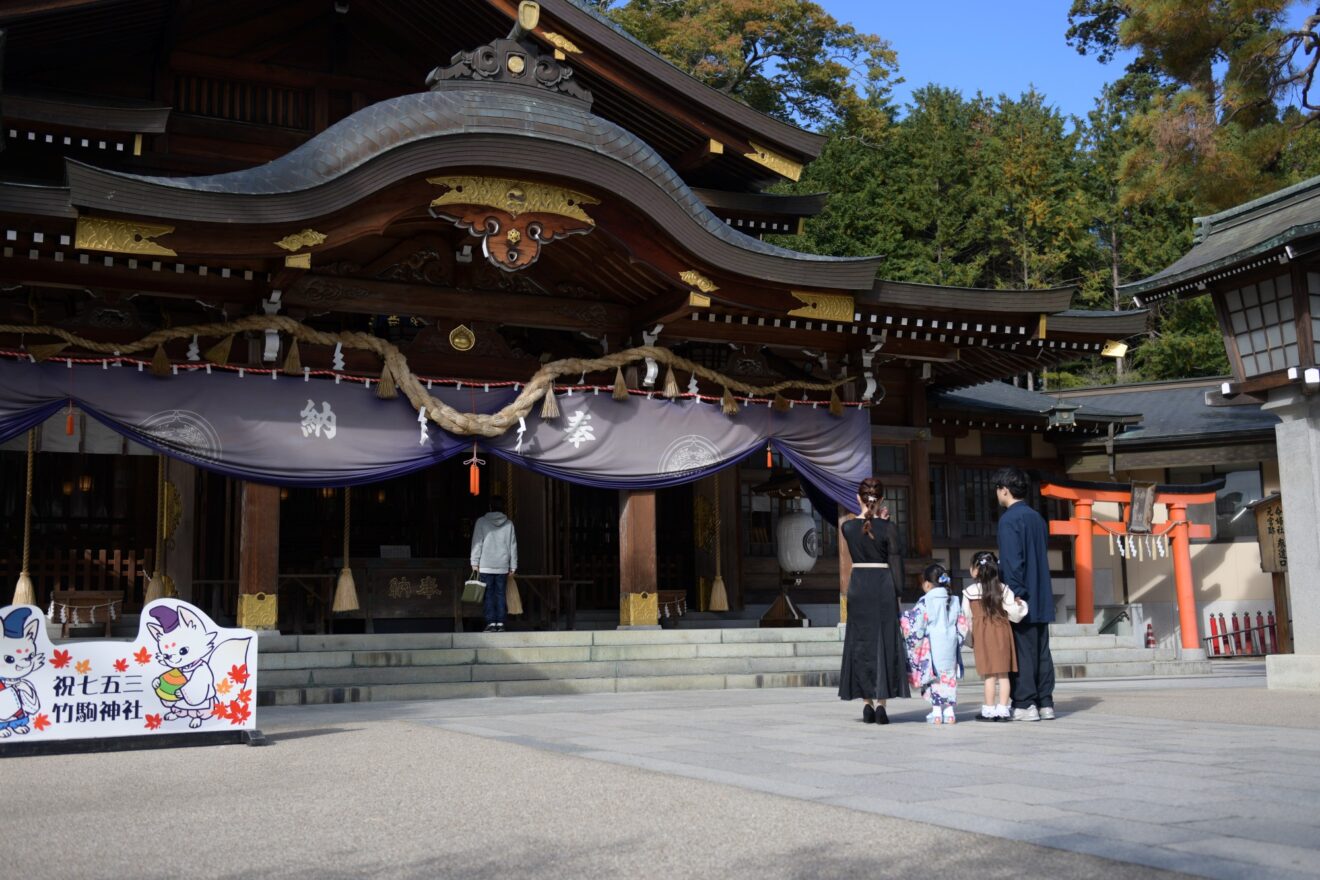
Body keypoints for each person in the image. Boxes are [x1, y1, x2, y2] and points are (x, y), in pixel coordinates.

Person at [838, 477, 909, 724]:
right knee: (884, 642)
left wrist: (875, 518)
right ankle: (881, 705)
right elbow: (896, 562)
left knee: (861, 642)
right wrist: (898, 594)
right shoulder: (889, 528)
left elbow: (865, 528)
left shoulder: (847, 527)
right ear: (881, 500)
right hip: (882, 585)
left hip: (859, 586)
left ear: (858, 498)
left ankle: (866, 703)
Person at [992, 467, 1056, 721]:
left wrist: (1014, 592)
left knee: (1022, 650)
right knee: (1042, 650)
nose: (997, 493)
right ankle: (1045, 702)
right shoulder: (1037, 518)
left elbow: (1012, 561)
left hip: (1022, 594)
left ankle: (1025, 703)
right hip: (1042, 592)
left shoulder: (1009, 520)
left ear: (1005, 490)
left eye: (998, 488)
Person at [963, 551, 1027, 722]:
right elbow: (1014, 612)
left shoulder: (969, 592)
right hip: (1001, 632)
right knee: (1003, 675)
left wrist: (969, 639)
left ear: (976, 570)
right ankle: (1003, 710)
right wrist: (1021, 605)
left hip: (982, 635)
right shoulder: (1004, 589)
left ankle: (989, 710)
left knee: (989, 675)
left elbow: (965, 618)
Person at [901, 563, 969, 725]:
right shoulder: (954, 600)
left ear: (927, 584)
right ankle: (950, 713)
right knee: (949, 678)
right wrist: (957, 640)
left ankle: (937, 713)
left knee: (933, 678)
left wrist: (902, 619)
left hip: (932, 646)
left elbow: (916, 625)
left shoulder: (926, 601)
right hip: (950, 645)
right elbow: (963, 626)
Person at [470, 496, 517, 633]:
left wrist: (474, 562)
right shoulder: (509, 524)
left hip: (486, 564)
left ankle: (491, 623)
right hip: (502, 565)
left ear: (490, 507)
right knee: (501, 594)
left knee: (488, 594)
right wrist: (513, 565)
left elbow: (477, 543)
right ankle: (501, 623)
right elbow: (512, 545)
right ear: (503, 507)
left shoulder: (481, 522)